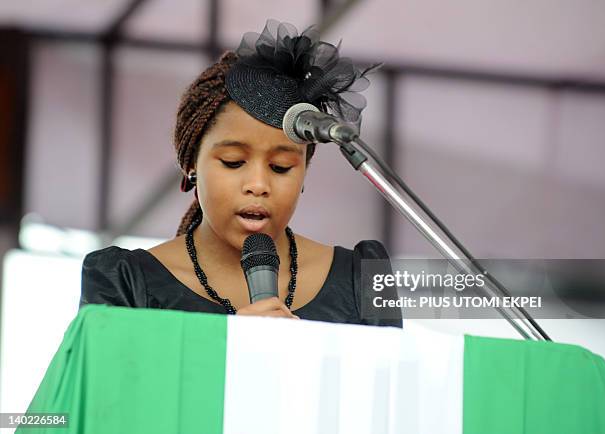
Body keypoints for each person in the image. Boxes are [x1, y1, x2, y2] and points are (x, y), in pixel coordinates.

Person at [79, 19, 402, 328]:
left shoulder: (366, 275)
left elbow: (395, 382)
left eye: (281, 167)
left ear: (304, 171)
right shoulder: (123, 282)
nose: (258, 185)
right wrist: (232, 349)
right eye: (233, 162)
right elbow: (110, 384)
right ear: (192, 163)